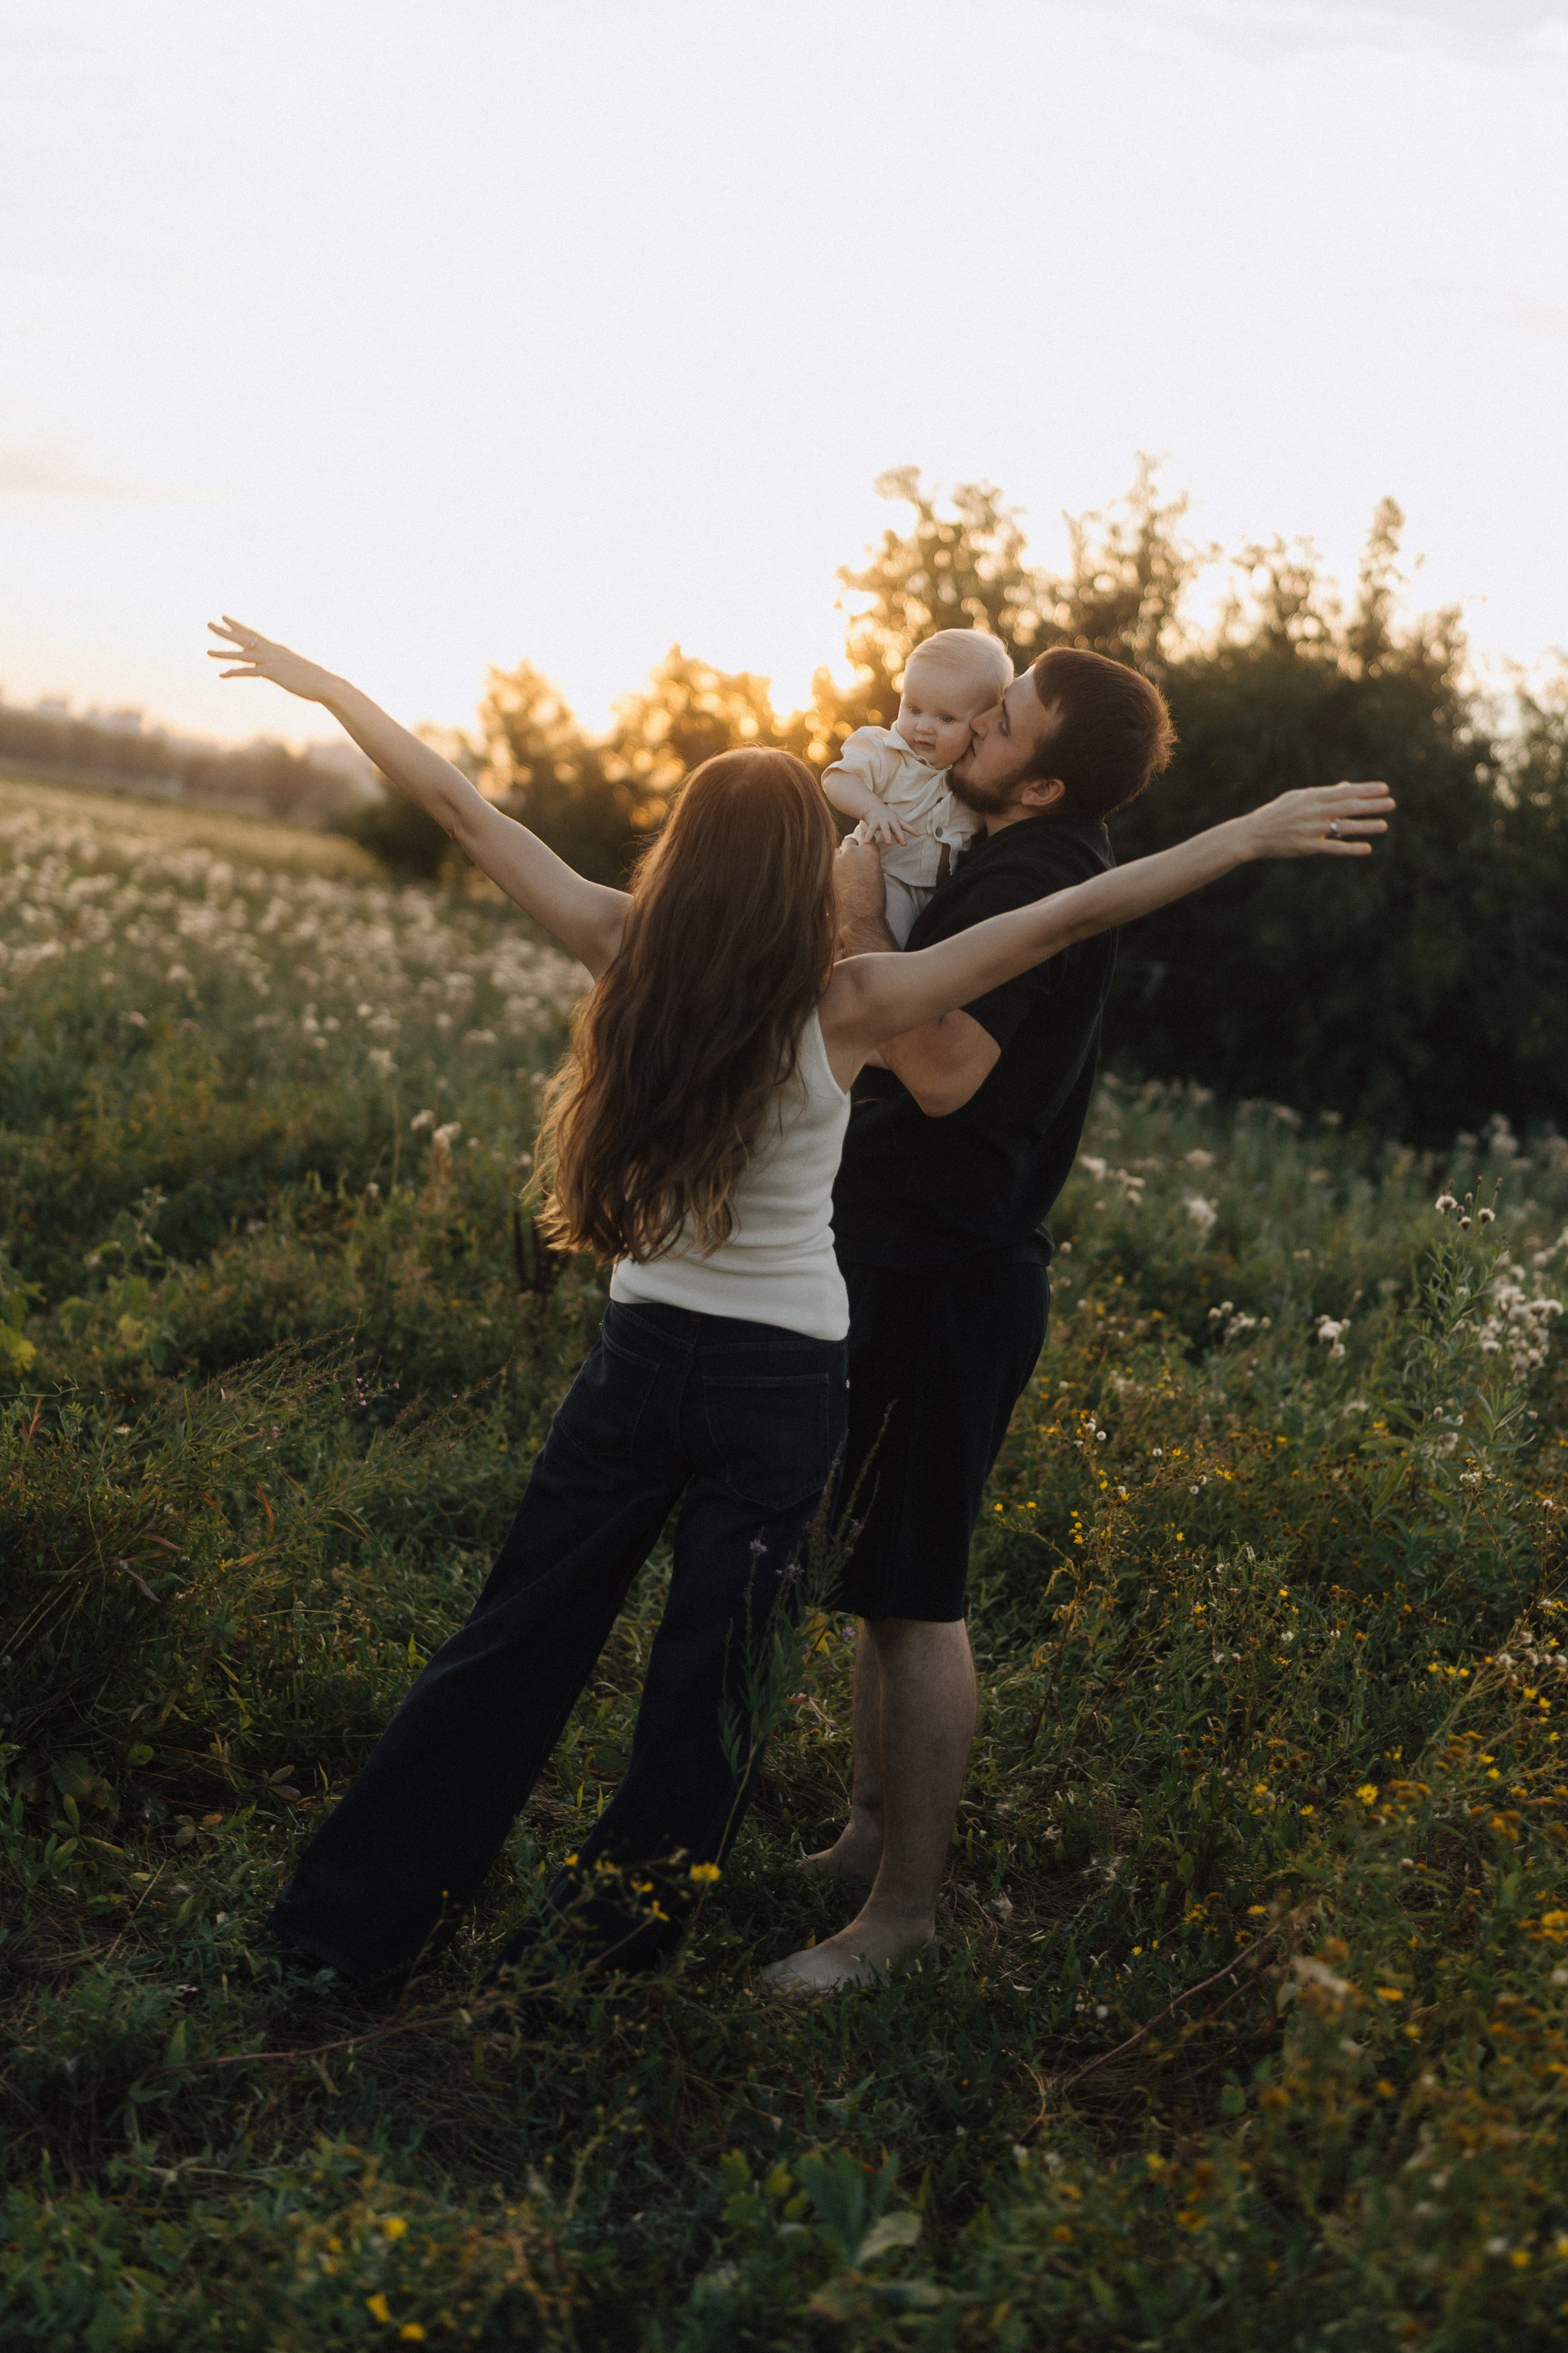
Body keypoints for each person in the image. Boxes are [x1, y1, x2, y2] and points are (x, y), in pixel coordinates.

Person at [205, 614, 1390, 1993]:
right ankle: (601, 1969)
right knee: (707, 1696)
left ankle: (341, 1934)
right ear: (800, 868)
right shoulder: (851, 998)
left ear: (679, 854)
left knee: (509, 1644)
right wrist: (1238, 835)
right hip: (780, 1388)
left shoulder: (621, 942)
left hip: (638, 1360)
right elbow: (1070, 914)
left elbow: (461, 809)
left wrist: (329, 683)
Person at [768, 646, 1177, 1995]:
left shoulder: (1031, 875)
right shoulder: (995, 848)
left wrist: (851, 921)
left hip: (950, 1276)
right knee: (877, 1579)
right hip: (911, 1255)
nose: (975, 725)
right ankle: (862, 1841)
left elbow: (939, 1068)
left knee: (918, 1592)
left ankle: (901, 1918)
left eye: (1003, 723)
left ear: (1046, 779)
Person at [820, 630, 1012, 944]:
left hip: (943, 892)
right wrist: (873, 809)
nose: (924, 726)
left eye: (946, 719)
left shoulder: (974, 776)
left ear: (980, 724)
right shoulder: (886, 751)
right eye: (913, 709)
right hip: (884, 880)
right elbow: (837, 779)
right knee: (894, 940)